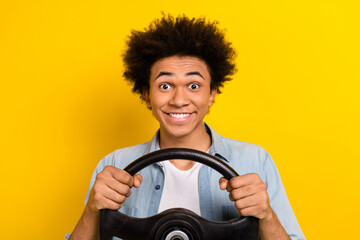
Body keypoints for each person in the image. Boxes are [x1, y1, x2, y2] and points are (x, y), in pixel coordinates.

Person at [66, 14, 305, 240]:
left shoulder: (255, 161)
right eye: (165, 86)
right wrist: (91, 210)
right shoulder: (114, 165)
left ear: (212, 94)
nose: (179, 100)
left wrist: (266, 216)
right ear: (146, 95)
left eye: (193, 85)